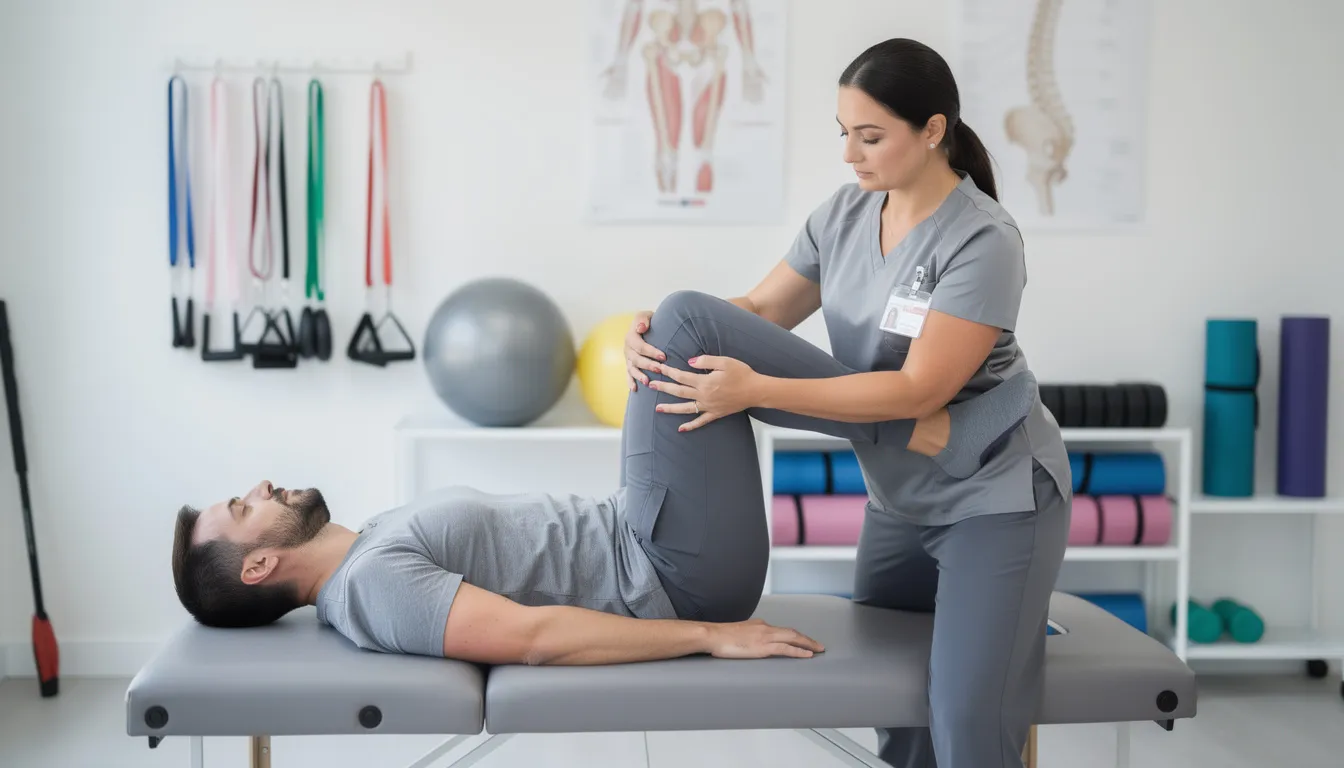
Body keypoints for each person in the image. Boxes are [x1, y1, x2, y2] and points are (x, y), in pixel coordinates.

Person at [621, 38, 1071, 768]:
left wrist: (756, 391)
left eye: (870, 136)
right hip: (899, 495)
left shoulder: (983, 239)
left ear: (932, 131)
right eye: (844, 134)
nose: (849, 154)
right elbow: (763, 308)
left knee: (965, 724)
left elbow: (919, 389)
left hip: (992, 500)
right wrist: (658, 335)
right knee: (897, 715)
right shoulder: (844, 214)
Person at [170, 295, 1037, 668]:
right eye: (243, 509)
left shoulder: (369, 548)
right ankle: (910, 423)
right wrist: (707, 637)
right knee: (685, 322)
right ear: (256, 569)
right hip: (669, 571)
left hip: (646, 534)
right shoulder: (372, 589)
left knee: (669, 332)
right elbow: (534, 637)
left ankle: (902, 421)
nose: (261, 486)